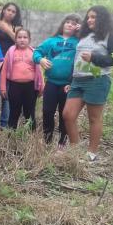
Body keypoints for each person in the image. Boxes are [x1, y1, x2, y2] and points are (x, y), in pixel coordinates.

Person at [63, 6, 113, 162]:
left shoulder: (111, 36)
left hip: (97, 80)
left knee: (94, 118)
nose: (89, 19)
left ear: (102, 18)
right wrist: (71, 80)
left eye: (94, 17)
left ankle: (91, 153)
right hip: (78, 80)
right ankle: (75, 150)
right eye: (88, 17)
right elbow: (76, 58)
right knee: (68, 115)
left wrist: (94, 57)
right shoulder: (84, 35)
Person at [33, 14, 81, 147]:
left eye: (73, 23)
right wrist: (41, 59)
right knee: (47, 111)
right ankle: (47, 140)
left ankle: (62, 141)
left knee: (64, 114)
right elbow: (36, 52)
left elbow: (90, 41)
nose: (70, 25)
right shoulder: (51, 41)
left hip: (68, 85)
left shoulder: (79, 42)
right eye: (67, 22)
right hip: (51, 83)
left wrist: (82, 31)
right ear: (63, 24)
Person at [0, 29, 43, 130]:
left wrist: (41, 87)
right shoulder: (11, 52)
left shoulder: (34, 53)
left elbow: (39, 72)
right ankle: (11, 137)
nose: (22, 40)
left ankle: (30, 138)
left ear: (29, 40)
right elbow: (4, 70)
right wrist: (2, 88)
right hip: (14, 86)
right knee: (14, 112)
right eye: (19, 37)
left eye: (25, 37)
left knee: (30, 113)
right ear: (15, 39)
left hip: (31, 87)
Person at [0, 2, 23, 129]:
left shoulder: (17, 28)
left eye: (13, 11)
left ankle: (4, 124)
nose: (10, 13)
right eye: (8, 10)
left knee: (7, 95)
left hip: (11, 63)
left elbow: (19, 42)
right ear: (3, 10)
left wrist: (7, 30)